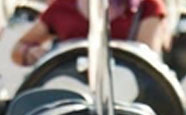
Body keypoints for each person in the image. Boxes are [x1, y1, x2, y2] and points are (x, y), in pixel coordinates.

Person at [11, 0, 167, 67]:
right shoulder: (63, 5)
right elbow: (18, 49)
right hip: (70, 95)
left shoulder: (147, 6)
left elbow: (147, 60)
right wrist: (30, 53)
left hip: (126, 94)